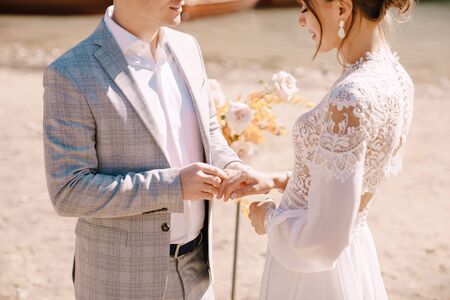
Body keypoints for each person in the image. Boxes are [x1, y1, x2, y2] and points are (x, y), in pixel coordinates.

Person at [42, 0, 251, 299]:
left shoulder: (188, 48)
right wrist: (173, 187)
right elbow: (68, 192)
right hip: (120, 279)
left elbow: (210, 130)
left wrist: (231, 165)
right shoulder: (70, 73)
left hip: (199, 271)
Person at [220, 0, 415, 298]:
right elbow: (350, 180)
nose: (300, 21)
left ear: (341, 9)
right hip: (354, 253)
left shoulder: (351, 96)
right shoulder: (398, 78)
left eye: (305, 7)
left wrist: (269, 220)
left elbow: (322, 240)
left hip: (312, 273)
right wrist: (276, 180)